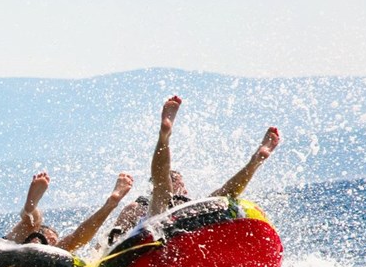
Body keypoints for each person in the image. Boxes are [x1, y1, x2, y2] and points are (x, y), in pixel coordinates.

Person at [107, 95, 281, 246]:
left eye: (176, 180)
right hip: (157, 231)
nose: (177, 183)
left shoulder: (145, 206)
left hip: (171, 230)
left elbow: (110, 241)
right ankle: (253, 162)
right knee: (220, 196)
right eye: (175, 180)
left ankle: (164, 136)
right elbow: (114, 241)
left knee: (212, 197)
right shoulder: (146, 205)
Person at [4, 170, 134, 252]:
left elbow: (76, 237)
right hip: (15, 250)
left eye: (54, 240)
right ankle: (30, 207)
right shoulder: (14, 243)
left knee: (71, 242)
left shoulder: (54, 254)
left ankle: (110, 205)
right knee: (31, 222)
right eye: (49, 238)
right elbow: (31, 227)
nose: (53, 241)